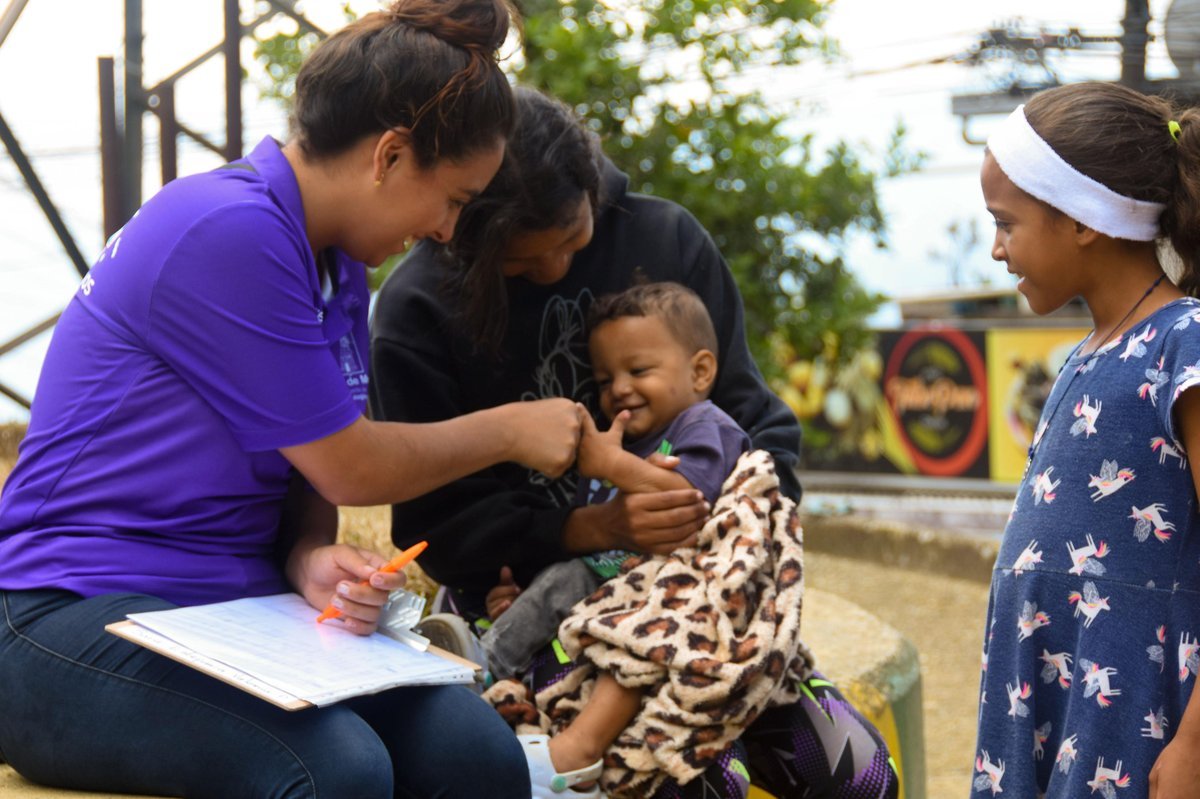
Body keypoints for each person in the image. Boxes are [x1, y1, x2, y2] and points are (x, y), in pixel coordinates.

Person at [0, 3, 586, 797]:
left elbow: (310, 474)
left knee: (474, 755)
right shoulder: (226, 229)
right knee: (335, 769)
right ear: (389, 155)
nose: (448, 230)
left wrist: (308, 555)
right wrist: (511, 429)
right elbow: (348, 464)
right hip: (67, 611)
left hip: (235, 612)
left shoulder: (335, 267)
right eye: (454, 198)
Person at [372, 88, 899, 799]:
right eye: (522, 265)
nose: (556, 269)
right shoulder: (418, 309)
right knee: (698, 785)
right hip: (532, 603)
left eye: (574, 239)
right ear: (460, 231)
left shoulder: (666, 240)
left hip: (707, 590)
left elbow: (757, 424)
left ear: (594, 190)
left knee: (859, 776)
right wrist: (595, 527)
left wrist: (725, 550)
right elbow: (434, 527)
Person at [973, 81, 1200, 797]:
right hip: (1044, 706)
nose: (996, 249)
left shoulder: (1184, 345)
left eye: (1006, 223)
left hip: (1132, 722)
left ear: (1081, 218)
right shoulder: (1082, 356)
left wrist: (1195, 745)